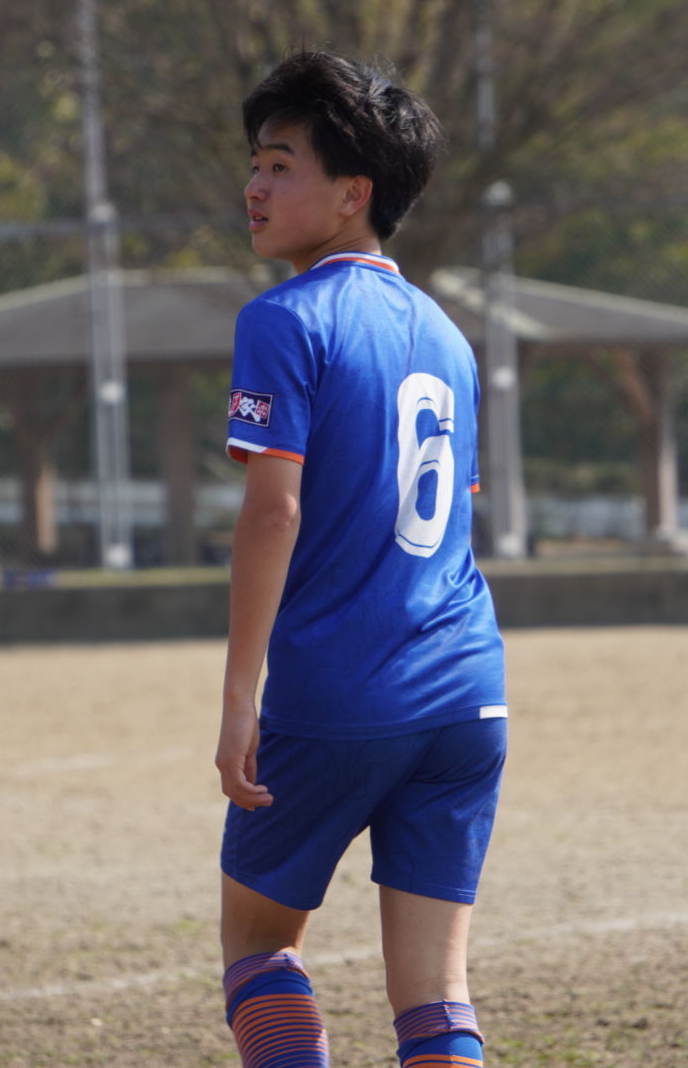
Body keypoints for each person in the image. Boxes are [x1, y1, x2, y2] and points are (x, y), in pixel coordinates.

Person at [215, 53, 507, 1068]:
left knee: (258, 946)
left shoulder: (283, 319)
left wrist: (240, 696)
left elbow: (273, 512)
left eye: (280, 165)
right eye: (255, 164)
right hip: (467, 697)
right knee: (434, 994)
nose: (254, 187)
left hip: (340, 693)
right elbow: (453, 517)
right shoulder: (450, 338)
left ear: (353, 193)